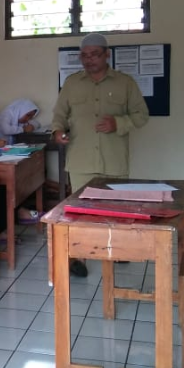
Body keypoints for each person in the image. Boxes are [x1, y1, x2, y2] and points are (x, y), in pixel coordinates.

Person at [52, 33, 150, 277]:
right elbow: (59, 115)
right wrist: (57, 132)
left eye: (95, 54)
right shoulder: (72, 83)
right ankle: (80, 257)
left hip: (113, 158)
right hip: (81, 158)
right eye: (84, 55)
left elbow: (141, 115)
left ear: (107, 54)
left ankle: (116, 250)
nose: (89, 59)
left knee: (115, 208)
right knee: (79, 210)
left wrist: (118, 123)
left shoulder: (125, 83)